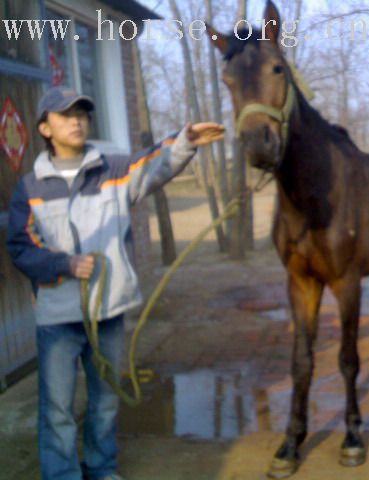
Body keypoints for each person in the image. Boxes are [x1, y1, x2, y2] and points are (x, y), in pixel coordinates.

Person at [6, 86, 225, 480]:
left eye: (82, 114)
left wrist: (185, 141)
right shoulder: (30, 188)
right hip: (57, 319)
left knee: (105, 401)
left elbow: (154, 163)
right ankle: (62, 475)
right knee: (57, 407)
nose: (76, 121)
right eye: (65, 115)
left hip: (107, 311)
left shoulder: (114, 171)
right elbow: (21, 247)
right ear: (44, 128)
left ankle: (101, 468)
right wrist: (65, 263)